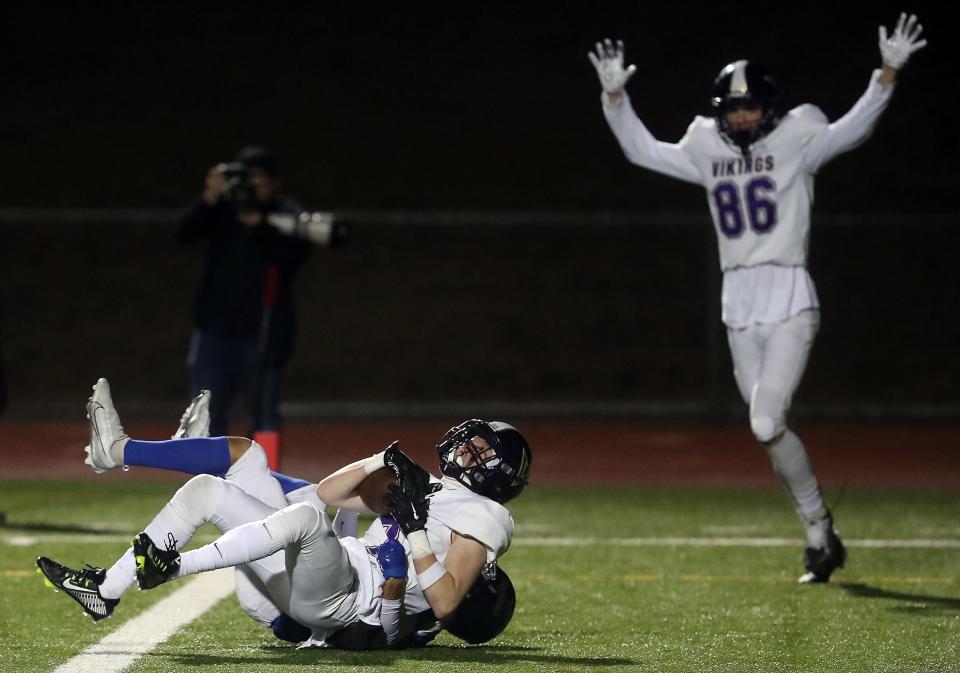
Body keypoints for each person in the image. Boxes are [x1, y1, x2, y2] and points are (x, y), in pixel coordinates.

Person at [588, 14, 926, 583]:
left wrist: (887, 73)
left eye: (749, 106)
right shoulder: (705, 144)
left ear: (768, 106)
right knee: (763, 425)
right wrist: (615, 95)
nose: (741, 115)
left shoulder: (798, 137)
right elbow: (642, 150)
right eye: (733, 107)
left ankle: (819, 528)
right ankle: (821, 531)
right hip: (738, 303)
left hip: (791, 292)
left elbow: (853, 129)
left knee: (767, 420)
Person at [42, 378, 530, 647]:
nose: (467, 450)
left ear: (497, 476)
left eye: (481, 452)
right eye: (474, 443)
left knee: (302, 517)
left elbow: (444, 603)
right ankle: (105, 588)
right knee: (226, 477)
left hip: (337, 601)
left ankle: (171, 567)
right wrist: (377, 460)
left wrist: (417, 533)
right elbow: (330, 493)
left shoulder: (486, 515)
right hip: (307, 582)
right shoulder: (434, 489)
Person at [178, 146, 347, 464]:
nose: (252, 188)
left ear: (274, 183)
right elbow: (185, 234)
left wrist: (258, 224)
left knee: (264, 417)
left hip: (264, 334)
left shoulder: (286, 215)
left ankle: (266, 483)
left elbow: (292, 257)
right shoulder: (223, 210)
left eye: (259, 181)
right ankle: (207, 482)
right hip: (213, 331)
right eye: (246, 180)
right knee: (205, 414)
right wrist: (209, 197)